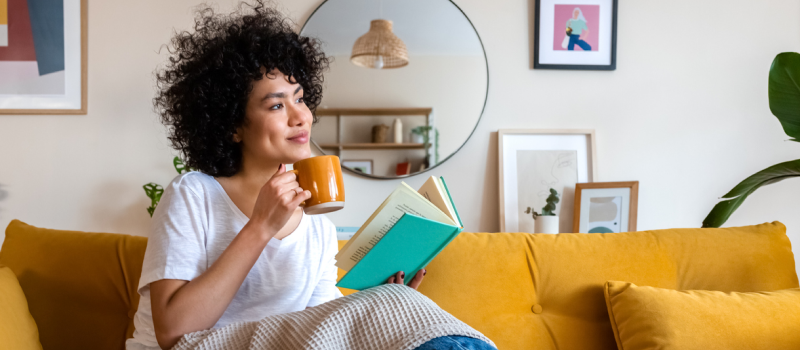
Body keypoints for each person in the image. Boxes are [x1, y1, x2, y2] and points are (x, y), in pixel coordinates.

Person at [126, 2, 495, 350]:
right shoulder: (193, 194)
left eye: (300, 98)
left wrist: (384, 296)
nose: (301, 116)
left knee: (396, 303)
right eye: (276, 104)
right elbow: (173, 332)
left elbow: (320, 331)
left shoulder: (317, 223)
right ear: (232, 125)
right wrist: (260, 227)